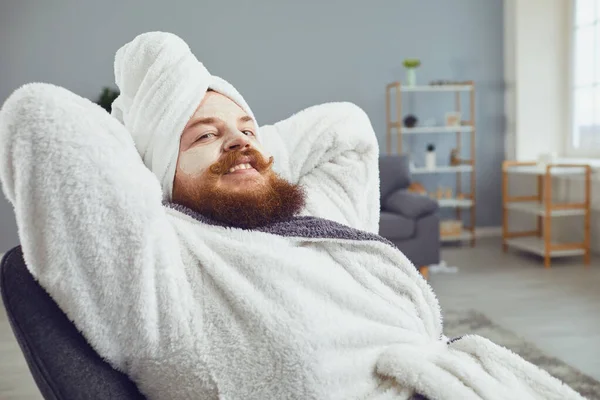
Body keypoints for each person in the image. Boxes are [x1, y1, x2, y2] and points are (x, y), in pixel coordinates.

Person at [0, 32, 584, 400]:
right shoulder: (159, 262)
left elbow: (347, 128)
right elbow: (40, 117)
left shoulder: (311, 210)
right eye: (204, 135)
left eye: (249, 130)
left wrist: (244, 143)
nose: (239, 142)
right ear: (152, 170)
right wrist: (156, 142)